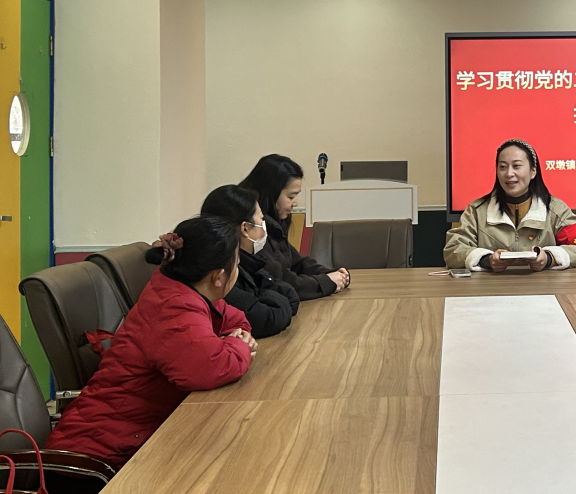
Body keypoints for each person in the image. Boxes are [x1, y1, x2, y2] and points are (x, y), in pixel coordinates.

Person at [44, 217, 256, 468]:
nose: (238, 269)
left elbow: (235, 320)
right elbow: (209, 367)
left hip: (127, 440)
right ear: (218, 277)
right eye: (237, 264)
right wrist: (239, 345)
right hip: (92, 460)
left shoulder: (181, 291)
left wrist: (235, 337)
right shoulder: (174, 308)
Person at [444, 139, 576, 272]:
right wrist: (486, 260)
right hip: (490, 289)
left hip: (545, 288)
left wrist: (548, 258)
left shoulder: (556, 209)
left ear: (533, 171)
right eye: (503, 167)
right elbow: (453, 250)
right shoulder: (476, 211)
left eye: (516, 166)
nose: (509, 173)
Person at [240, 154, 349, 299]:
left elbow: (296, 262)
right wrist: (326, 282)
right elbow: (280, 281)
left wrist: (332, 274)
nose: (295, 203)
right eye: (291, 197)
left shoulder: (274, 223)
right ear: (270, 193)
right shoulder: (253, 229)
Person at [201, 184, 301, 338]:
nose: (263, 227)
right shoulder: (221, 271)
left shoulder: (249, 261)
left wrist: (265, 297)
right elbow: (265, 318)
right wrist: (269, 298)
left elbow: (291, 295)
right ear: (245, 228)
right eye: (261, 219)